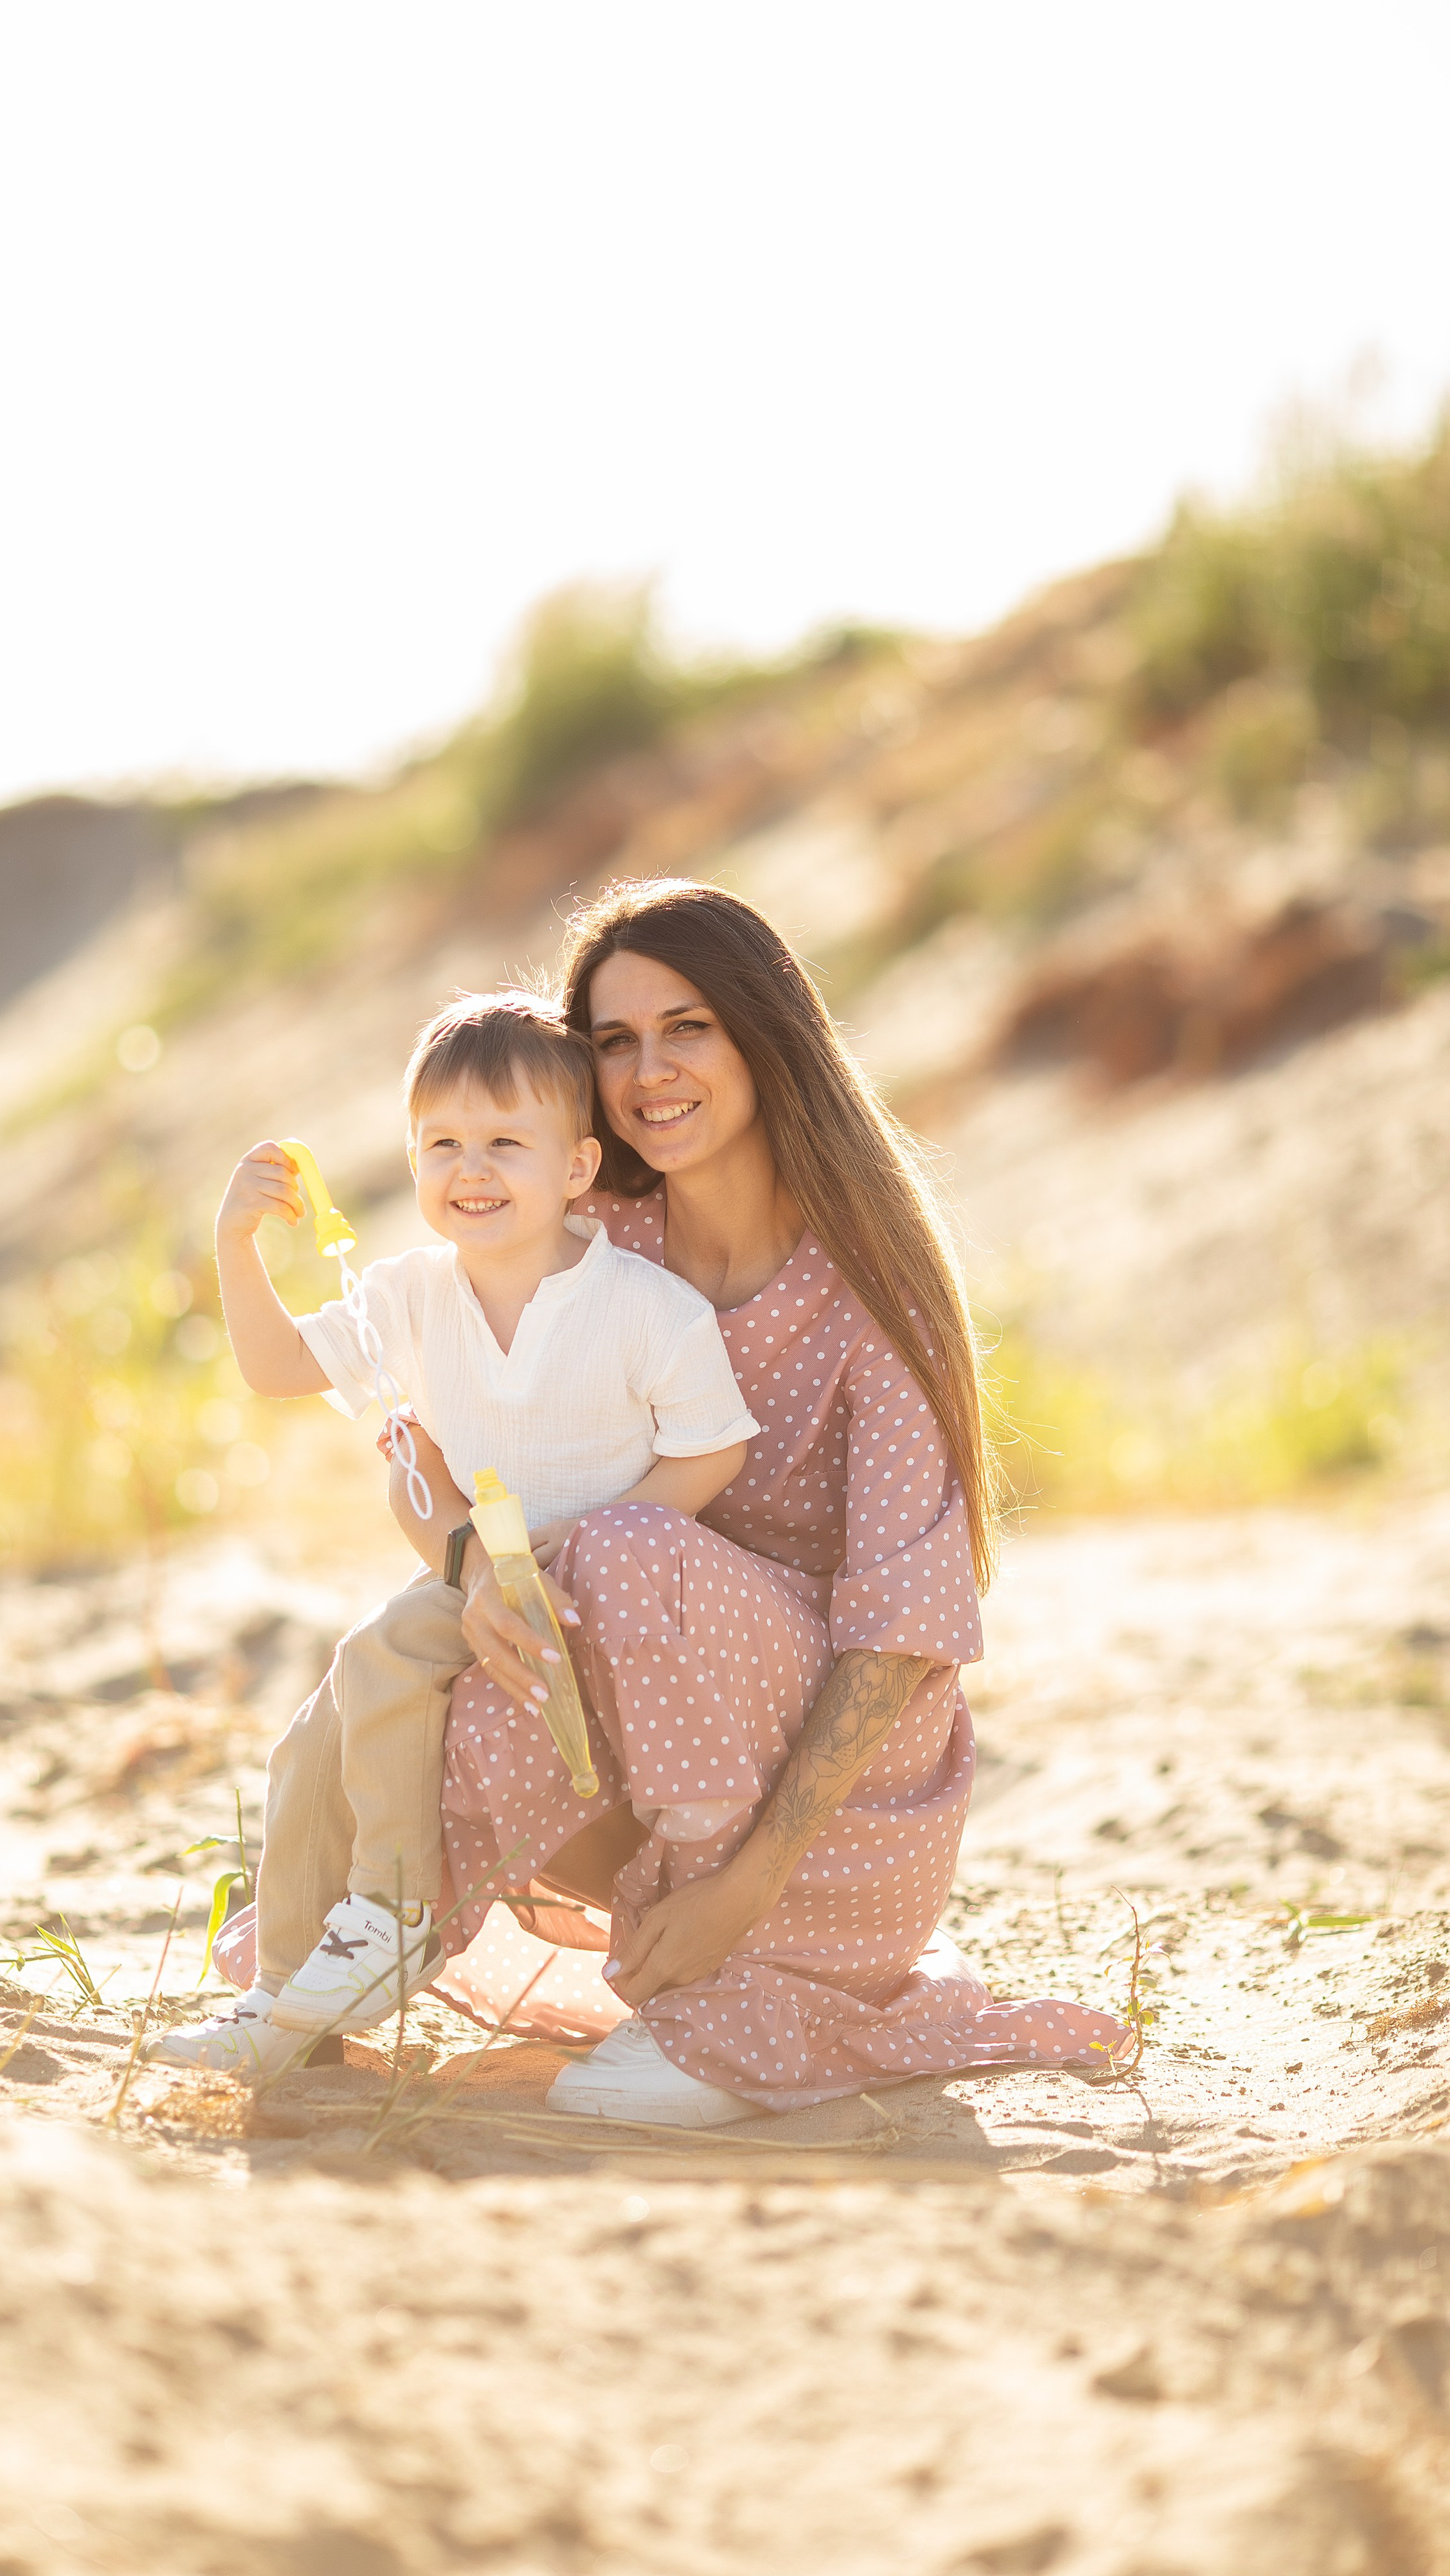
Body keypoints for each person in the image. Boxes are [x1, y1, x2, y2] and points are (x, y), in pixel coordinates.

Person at [404, 878, 1129, 2124]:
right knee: (432, 1639)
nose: (649, 1071)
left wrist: (748, 1882)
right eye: (616, 1041)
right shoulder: (597, 1245)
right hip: (655, 1750)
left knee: (630, 1542)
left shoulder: (867, 1291)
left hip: (833, 1820)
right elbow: (422, 1414)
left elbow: (904, 1636)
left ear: (761, 1033)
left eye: (687, 1027)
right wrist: (471, 1570)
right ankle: (398, 1926)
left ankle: (748, 1971)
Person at [154, 987, 756, 2071]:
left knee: (381, 1656)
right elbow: (276, 1365)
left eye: (504, 1144)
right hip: (487, 1580)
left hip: (607, 1583)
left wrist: (603, 1550)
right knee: (311, 1739)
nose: (469, 1170)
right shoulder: (412, 1295)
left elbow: (716, 1448)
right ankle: (284, 1996)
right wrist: (236, 1246)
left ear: (576, 1169)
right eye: (442, 1145)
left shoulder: (644, 1307)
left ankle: (390, 1916)